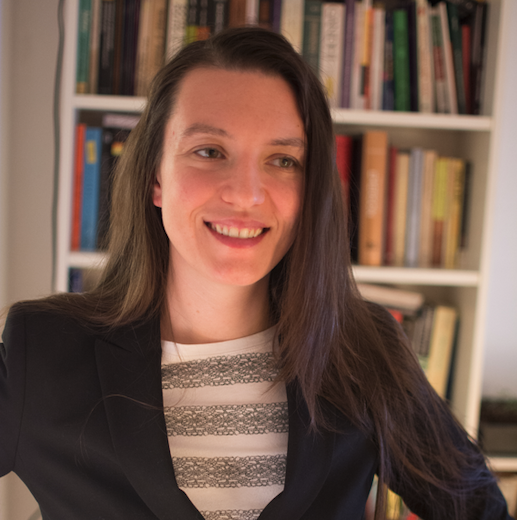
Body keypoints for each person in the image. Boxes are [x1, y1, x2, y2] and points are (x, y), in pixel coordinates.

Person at [0, 27, 513, 520]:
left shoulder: (364, 350)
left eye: (283, 160)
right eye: (209, 151)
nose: (246, 193)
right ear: (156, 175)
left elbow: (479, 508)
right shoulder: (41, 350)